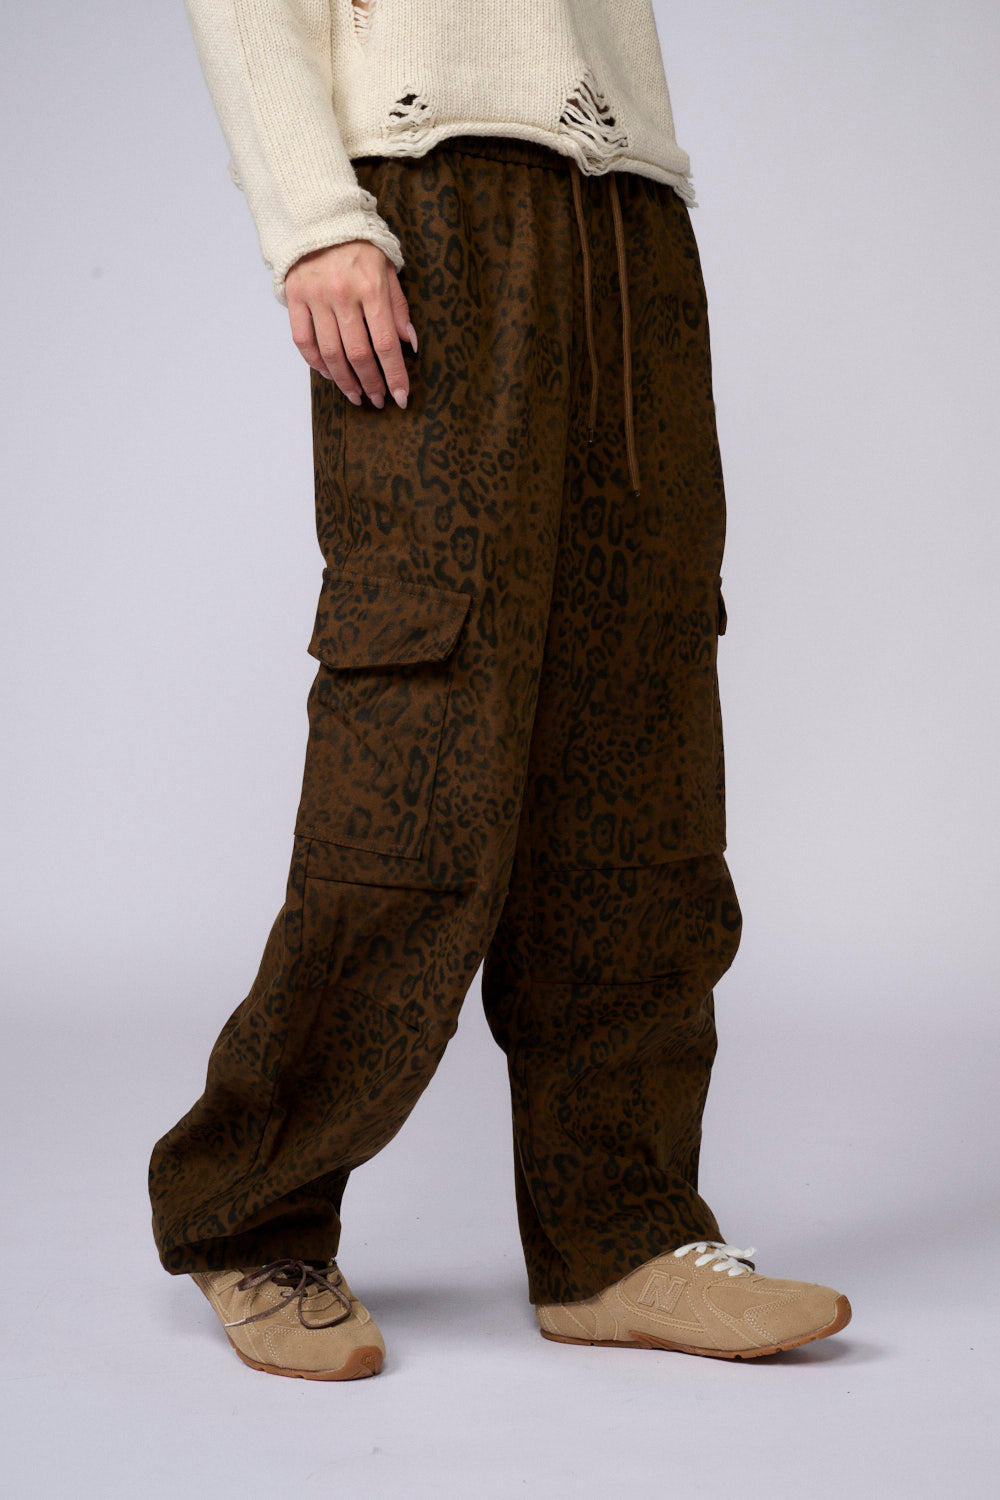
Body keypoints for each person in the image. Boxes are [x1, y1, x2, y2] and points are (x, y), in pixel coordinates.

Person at [149, 0, 852, 1381]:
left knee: (640, 740)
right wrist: (314, 218)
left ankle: (618, 1232)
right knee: (424, 732)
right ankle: (250, 1214)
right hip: (433, 202)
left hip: (631, 216)